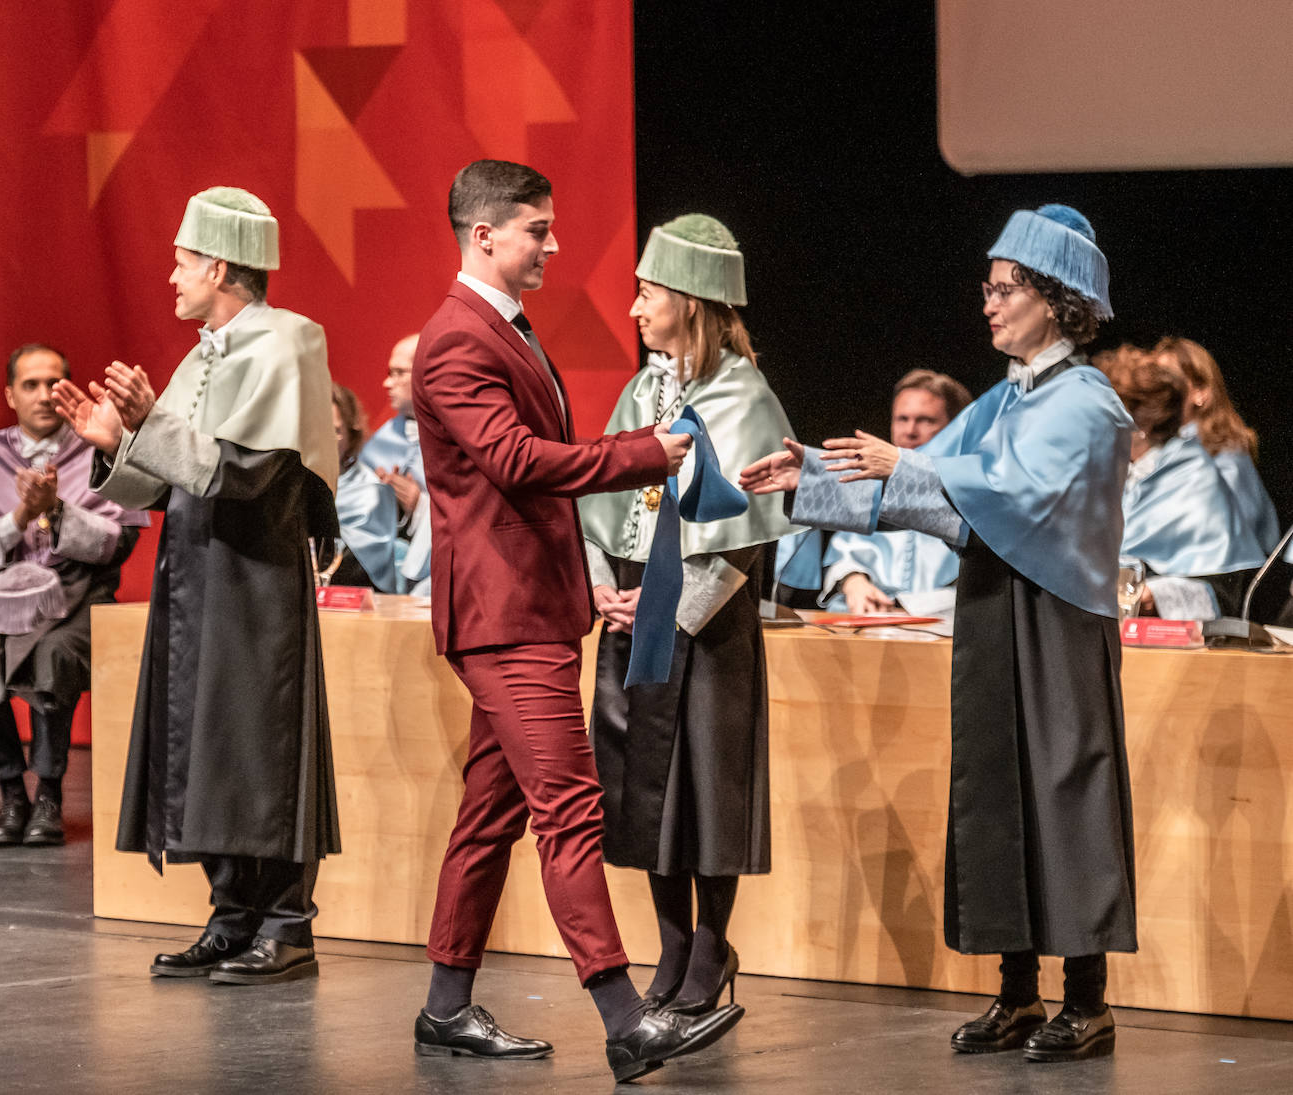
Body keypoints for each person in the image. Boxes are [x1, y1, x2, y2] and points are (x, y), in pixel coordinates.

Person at [742, 204, 1136, 1063]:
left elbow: (1017, 493)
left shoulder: (1087, 404)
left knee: (1064, 793)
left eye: (1005, 290)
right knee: (995, 787)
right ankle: (1018, 991)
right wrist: (806, 475)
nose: (988, 304)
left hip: (1059, 618)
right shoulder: (1001, 401)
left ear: (1056, 299)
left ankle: (1089, 1000)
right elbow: (921, 491)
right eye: (987, 289)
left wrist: (911, 462)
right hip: (995, 607)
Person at [410, 160, 742, 1083]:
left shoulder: (499, 328)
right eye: (537, 230)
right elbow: (516, 461)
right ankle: (627, 1018)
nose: (554, 246)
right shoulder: (454, 340)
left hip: (530, 610)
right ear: (484, 236)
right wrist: (647, 452)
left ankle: (445, 1007)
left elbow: (516, 484)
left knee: (490, 817)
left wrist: (577, 582)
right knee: (571, 813)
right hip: (504, 622)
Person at [51, 187, 341, 985]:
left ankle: (286, 925)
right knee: (204, 738)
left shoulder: (287, 342)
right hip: (196, 571)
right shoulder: (204, 349)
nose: (170, 276)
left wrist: (152, 424)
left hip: (255, 577)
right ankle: (231, 914)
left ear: (219, 265)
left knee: (259, 742)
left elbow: (246, 471)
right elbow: (166, 480)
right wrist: (119, 440)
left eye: (181, 261)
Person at [578, 214, 796, 1017]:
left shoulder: (744, 396)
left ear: (693, 302)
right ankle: (670, 943)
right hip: (635, 610)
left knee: (705, 787)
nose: (634, 306)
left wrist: (673, 612)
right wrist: (603, 582)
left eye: (647, 291)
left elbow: (742, 542)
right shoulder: (642, 389)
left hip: (700, 621)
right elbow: (602, 493)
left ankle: (712, 943)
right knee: (645, 784)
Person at [0, 343, 147, 846]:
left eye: (54, 383)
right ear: (10, 394)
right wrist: (20, 518)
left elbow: (118, 542)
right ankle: (11, 794)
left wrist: (59, 511)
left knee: (53, 655)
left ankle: (49, 792)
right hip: (3, 602)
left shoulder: (94, 446)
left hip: (79, 599)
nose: (45, 395)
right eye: (31, 385)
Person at [1100, 348, 1264, 618]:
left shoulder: (1194, 475)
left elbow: (1222, 590)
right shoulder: (1112, 474)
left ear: (1142, 422)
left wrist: (1156, 593)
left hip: (1165, 643)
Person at [818, 369, 970, 612]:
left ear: (956, 427)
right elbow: (844, 554)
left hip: (949, 626)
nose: (910, 431)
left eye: (926, 420)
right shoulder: (870, 486)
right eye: (902, 419)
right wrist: (854, 582)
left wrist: (906, 606)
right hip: (869, 624)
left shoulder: (972, 490)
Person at [1152, 336, 1279, 554]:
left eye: (1166, 381)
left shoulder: (1226, 453)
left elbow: (1228, 536)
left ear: (1200, 392)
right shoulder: (1159, 448)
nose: (1155, 390)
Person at [357, 333, 431, 594]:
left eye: (399, 373)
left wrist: (419, 505)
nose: (387, 383)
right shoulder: (383, 439)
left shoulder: (465, 437)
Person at [325, 382, 398, 588]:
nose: (327, 440)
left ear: (351, 433)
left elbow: (358, 569)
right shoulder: (293, 487)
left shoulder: (371, 491)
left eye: (336, 431)